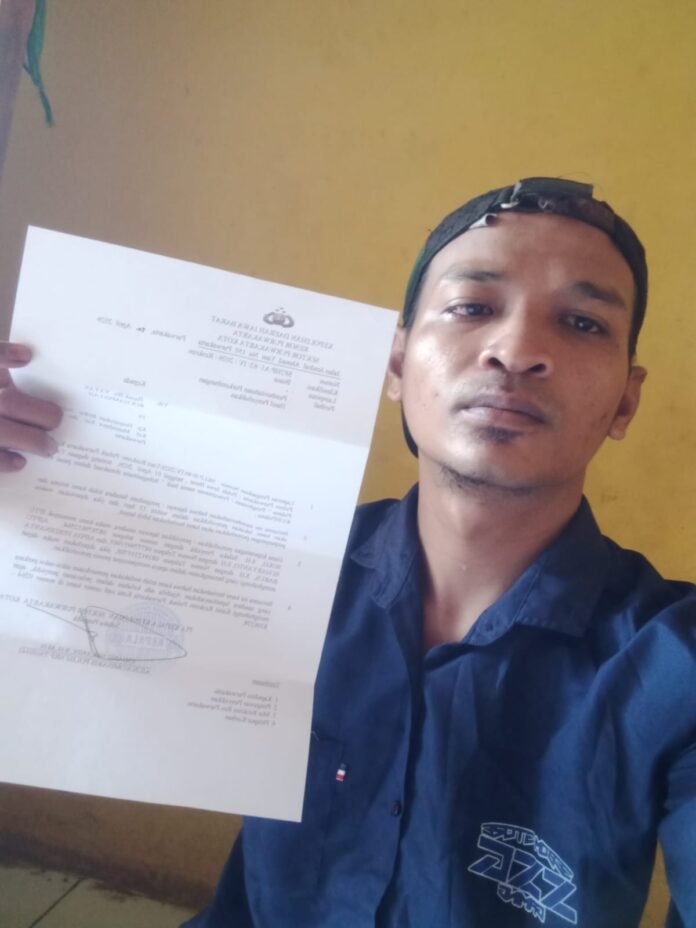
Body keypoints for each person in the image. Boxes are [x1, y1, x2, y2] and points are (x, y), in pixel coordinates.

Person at [2, 178, 694, 927]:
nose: (518, 350)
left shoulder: (672, 661)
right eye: (472, 307)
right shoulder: (267, 566)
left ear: (626, 400)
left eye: (583, 322)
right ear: (395, 365)